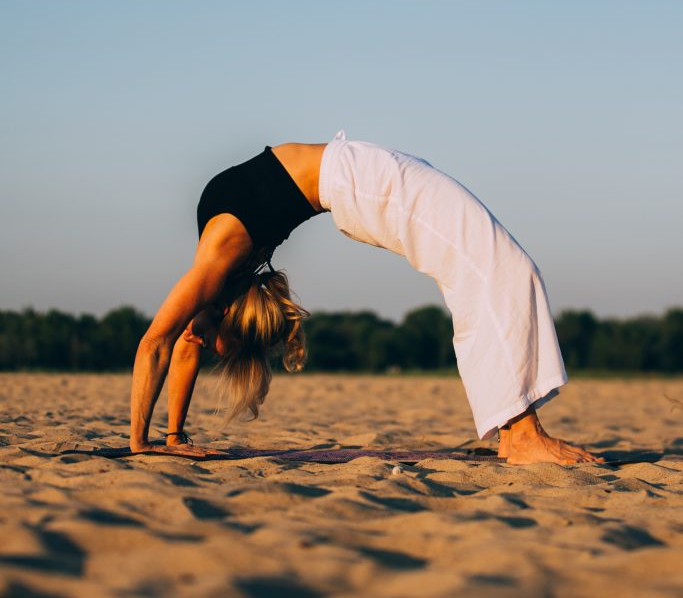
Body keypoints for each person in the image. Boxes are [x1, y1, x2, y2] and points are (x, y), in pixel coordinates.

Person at [130, 131, 604, 465]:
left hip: (359, 178)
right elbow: (182, 347)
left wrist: (139, 444)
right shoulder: (220, 279)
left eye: (212, 341)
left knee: (500, 266)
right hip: (359, 183)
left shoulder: (215, 265)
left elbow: (156, 344)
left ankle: (518, 433)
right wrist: (170, 438)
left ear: (226, 316)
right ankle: (517, 433)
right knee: (499, 266)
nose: (197, 338)